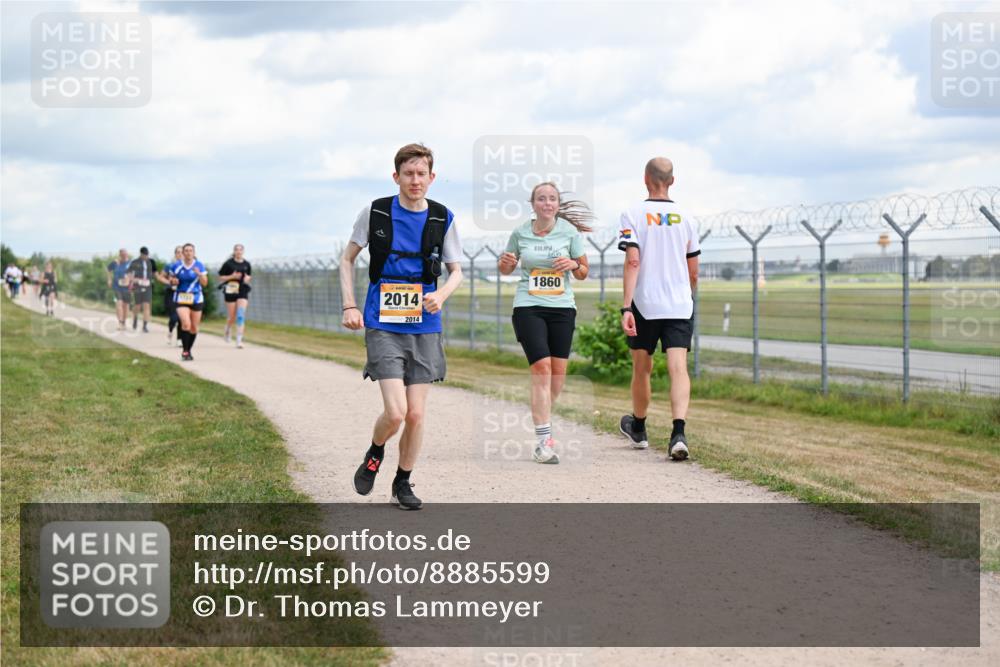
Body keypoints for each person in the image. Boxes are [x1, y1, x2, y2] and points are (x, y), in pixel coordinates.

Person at [339, 143, 463, 510]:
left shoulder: (443, 218)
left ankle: (403, 482)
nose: (415, 180)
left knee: (416, 414)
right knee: (395, 413)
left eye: (421, 174)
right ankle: (375, 452)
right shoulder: (375, 212)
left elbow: (456, 271)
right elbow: (346, 260)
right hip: (383, 321)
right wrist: (349, 305)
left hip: (425, 322)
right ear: (396, 177)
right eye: (407, 174)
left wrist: (442, 295)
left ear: (431, 177)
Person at [497, 182, 592, 464]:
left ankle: (542, 416)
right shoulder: (520, 233)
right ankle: (543, 441)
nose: (547, 203)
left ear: (558, 204)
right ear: (533, 204)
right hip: (528, 305)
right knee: (542, 367)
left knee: (558, 375)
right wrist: (506, 262)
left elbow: (585, 271)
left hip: (562, 307)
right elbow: (505, 268)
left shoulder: (569, 233)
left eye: (552, 199)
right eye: (541, 199)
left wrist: (574, 266)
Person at [618, 157, 701, 461]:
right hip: (679, 302)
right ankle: (678, 433)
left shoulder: (632, 214)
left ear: (645, 179)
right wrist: (685, 294)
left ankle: (638, 428)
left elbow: (633, 260)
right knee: (678, 367)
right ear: (672, 181)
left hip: (645, 302)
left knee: (643, 367)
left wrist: (626, 306)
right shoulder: (688, 216)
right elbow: (694, 270)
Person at [166, 243, 208, 361]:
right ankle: (185, 351)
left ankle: (188, 350)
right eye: (186, 251)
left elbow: (205, 283)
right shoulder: (176, 266)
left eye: (191, 251)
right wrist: (173, 281)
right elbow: (171, 280)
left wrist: (199, 274)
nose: (188, 253)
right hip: (181, 298)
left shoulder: (199, 265)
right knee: (186, 324)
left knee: (194, 328)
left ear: (194, 253)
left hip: (196, 298)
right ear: (183, 253)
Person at [218, 243, 252, 348]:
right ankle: (227, 330)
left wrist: (247, 279)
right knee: (232, 316)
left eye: (240, 250)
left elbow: (249, 276)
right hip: (231, 289)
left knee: (240, 315)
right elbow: (221, 277)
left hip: (242, 290)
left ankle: (239, 340)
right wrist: (231, 276)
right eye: (236, 250)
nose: (238, 252)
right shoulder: (228, 264)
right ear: (234, 251)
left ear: (243, 251)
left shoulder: (247, 264)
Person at [157, 246, 183, 346]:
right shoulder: (170, 265)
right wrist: (169, 283)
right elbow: (160, 277)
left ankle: (179, 339)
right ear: (175, 254)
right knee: (174, 317)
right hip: (171, 293)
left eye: (182, 252)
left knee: (181, 317)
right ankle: (170, 331)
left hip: (182, 294)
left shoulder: (187, 266)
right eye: (178, 252)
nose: (180, 254)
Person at [128, 246, 157, 333]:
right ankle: (135, 319)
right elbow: (129, 274)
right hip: (137, 286)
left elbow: (156, 273)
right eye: (144, 255)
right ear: (141, 254)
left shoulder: (151, 262)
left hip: (148, 286)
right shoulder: (135, 262)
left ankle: (145, 325)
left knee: (146, 305)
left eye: (147, 255)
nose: (146, 256)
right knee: (137, 306)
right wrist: (133, 280)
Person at [106, 248, 132, 330]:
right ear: (120, 255)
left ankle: (124, 322)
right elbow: (108, 270)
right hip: (117, 286)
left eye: (125, 255)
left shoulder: (130, 263)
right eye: (122, 255)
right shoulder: (115, 262)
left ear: (127, 255)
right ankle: (120, 322)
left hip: (127, 287)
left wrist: (129, 279)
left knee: (126, 305)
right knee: (119, 303)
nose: (124, 257)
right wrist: (109, 279)